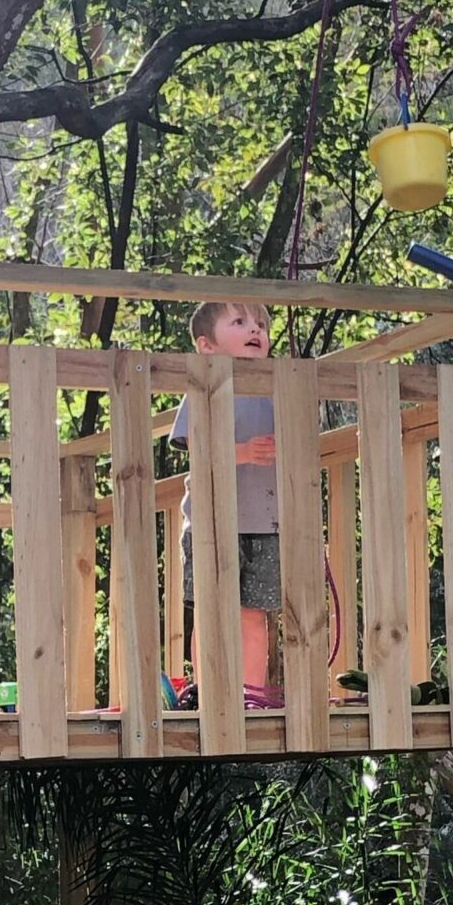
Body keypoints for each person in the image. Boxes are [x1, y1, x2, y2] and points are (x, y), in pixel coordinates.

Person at [173, 297, 281, 704]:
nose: (256, 330)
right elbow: (196, 450)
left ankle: (250, 695)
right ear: (207, 346)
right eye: (240, 322)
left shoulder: (276, 386)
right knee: (213, 609)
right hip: (212, 521)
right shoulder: (204, 386)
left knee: (254, 615)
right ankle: (211, 692)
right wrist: (242, 452)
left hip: (264, 519)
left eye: (261, 324)